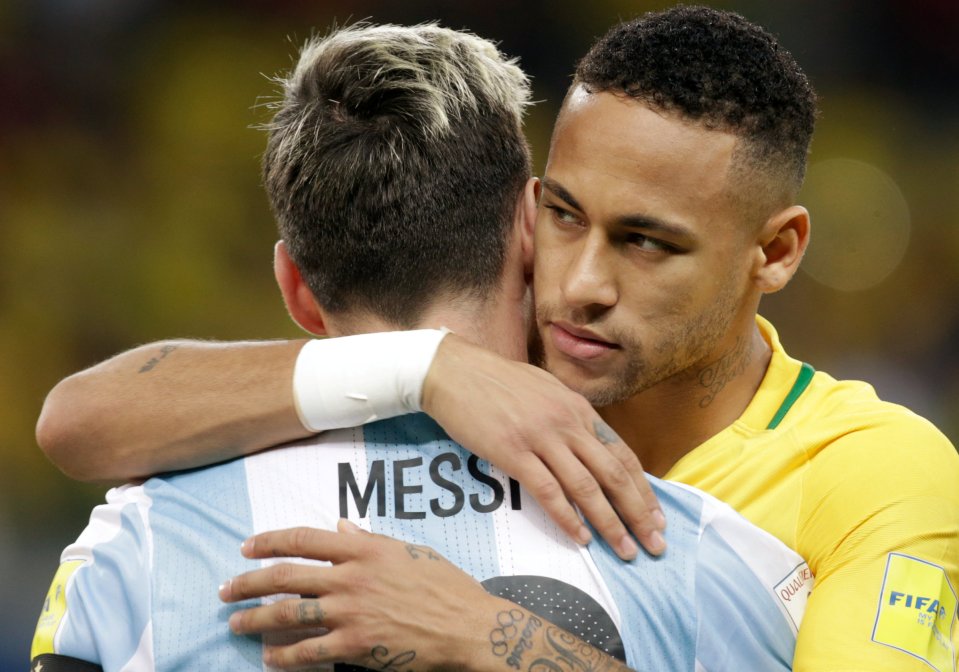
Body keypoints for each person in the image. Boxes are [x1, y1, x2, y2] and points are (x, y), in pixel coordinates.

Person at [34, 6, 959, 671]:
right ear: (521, 219)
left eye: (646, 242)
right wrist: (423, 368)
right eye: (564, 215)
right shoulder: (460, 380)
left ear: (778, 250)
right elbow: (82, 419)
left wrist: (485, 636)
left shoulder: (866, 474)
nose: (583, 285)